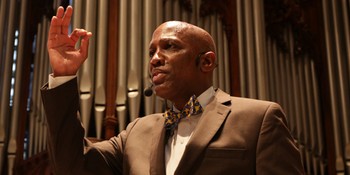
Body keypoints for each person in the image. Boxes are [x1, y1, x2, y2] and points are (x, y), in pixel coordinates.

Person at [41, 5, 304, 175]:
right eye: (151, 52)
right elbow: (72, 165)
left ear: (207, 61)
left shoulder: (259, 119)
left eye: (170, 47)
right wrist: (64, 76)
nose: (154, 59)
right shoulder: (136, 132)